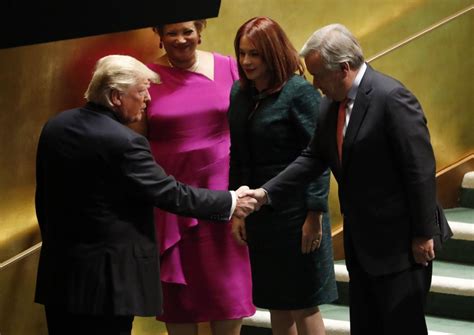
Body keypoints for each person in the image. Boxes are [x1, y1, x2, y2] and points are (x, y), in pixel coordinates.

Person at [34, 54, 257, 335]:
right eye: (141, 91)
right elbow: (170, 194)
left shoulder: (55, 127)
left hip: (59, 275)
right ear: (116, 96)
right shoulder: (125, 142)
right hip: (109, 284)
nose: (148, 99)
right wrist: (231, 200)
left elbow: (44, 200)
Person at [245, 23, 442, 335]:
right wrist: (265, 193)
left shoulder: (391, 98)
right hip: (362, 244)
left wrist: (423, 234)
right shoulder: (330, 104)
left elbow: (419, 171)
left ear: (344, 68)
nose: (315, 83)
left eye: (318, 74)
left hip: (401, 244)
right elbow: (313, 157)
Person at [136, 20, 255, 335]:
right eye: (171, 32)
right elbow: (136, 143)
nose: (180, 39)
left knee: (228, 290)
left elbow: (247, 127)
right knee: (181, 299)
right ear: (158, 35)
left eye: (187, 31)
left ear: (200, 31)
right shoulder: (144, 77)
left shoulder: (229, 67)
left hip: (226, 196)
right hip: (172, 199)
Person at [228, 17, 337, 335]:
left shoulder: (299, 92)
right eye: (242, 53)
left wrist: (314, 213)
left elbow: (318, 156)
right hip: (260, 211)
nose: (246, 61)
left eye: (255, 54)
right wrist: (238, 208)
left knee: (304, 300)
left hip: (297, 210)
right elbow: (238, 154)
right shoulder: (240, 93)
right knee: (276, 299)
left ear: (272, 53)